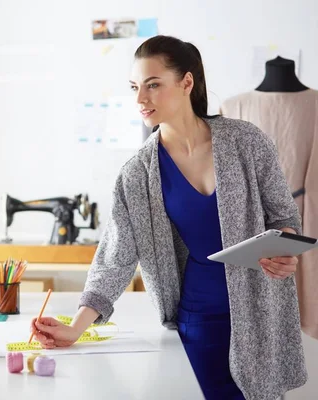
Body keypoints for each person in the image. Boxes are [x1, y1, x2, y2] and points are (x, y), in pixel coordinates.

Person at [30, 35, 307, 400]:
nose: (140, 99)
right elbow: (114, 259)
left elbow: (284, 217)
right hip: (198, 319)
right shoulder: (137, 173)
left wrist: (285, 249)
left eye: (153, 85)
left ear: (187, 82)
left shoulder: (247, 141)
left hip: (261, 315)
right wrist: (75, 327)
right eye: (135, 87)